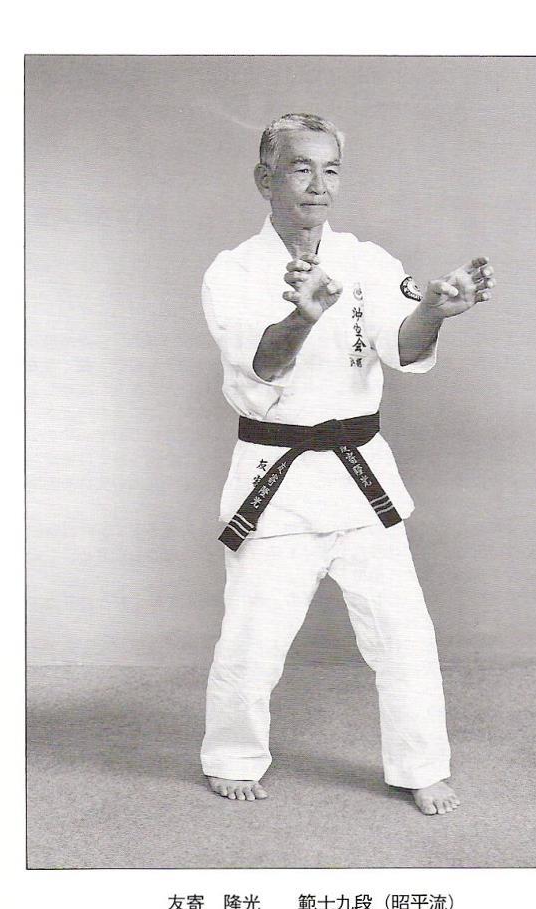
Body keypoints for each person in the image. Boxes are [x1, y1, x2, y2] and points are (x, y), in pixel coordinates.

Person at [200, 113, 495, 815]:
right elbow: (261, 365)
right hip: (276, 483)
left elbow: (402, 344)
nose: (318, 184)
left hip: (361, 477)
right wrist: (301, 316)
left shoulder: (368, 261)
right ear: (265, 178)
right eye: (300, 168)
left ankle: (420, 766)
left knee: (404, 638)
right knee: (252, 641)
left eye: (330, 169)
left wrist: (434, 311)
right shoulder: (233, 270)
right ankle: (232, 756)